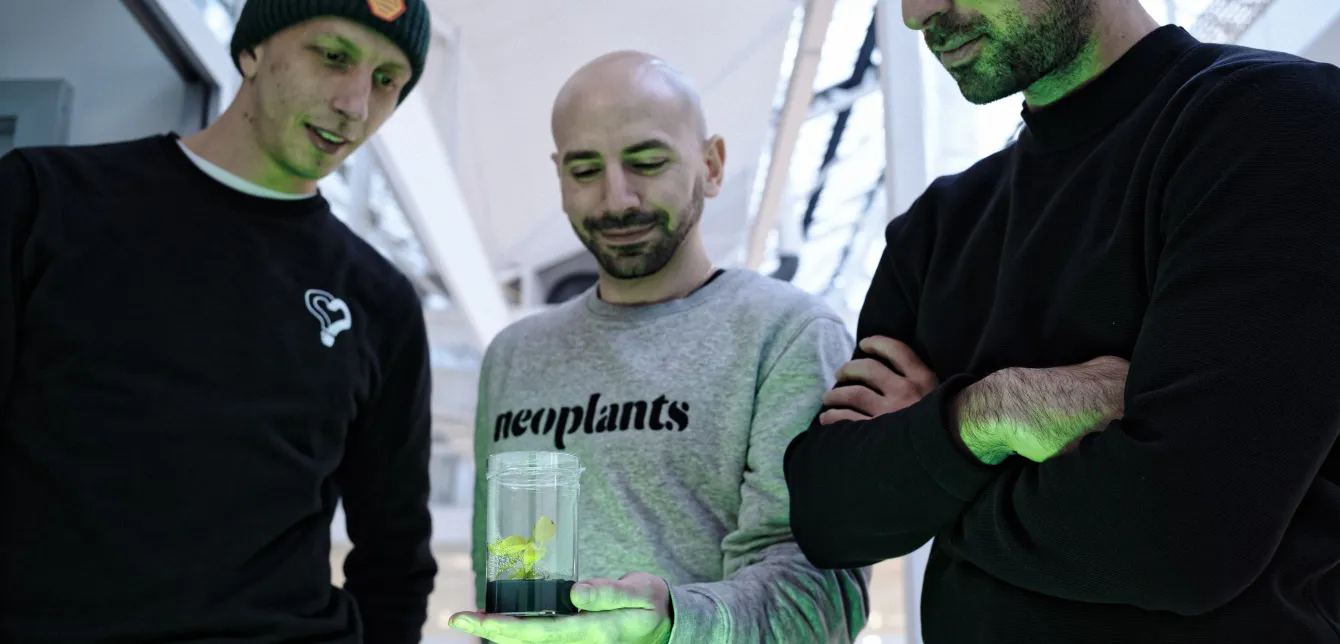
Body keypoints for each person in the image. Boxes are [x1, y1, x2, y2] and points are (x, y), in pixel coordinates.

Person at [782, 0, 1340, 641]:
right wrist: (981, 415)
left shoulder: (1275, 123)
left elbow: (1183, 535)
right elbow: (829, 516)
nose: (917, 13)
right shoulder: (939, 226)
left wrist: (932, 470)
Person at [0, 1, 438, 642]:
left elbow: (396, 557)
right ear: (252, 51)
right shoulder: (45, 202)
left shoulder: (380, 301)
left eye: (386, 80)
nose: (354, 103)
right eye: (332, 56)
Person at [446, 51, 870, 644]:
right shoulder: (515, 355)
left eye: (647, 162)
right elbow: (500, 583)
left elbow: (823, 594)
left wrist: (675, 620)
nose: (617, 200)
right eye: (584, 170)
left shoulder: (788, 334)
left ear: (711, 166)